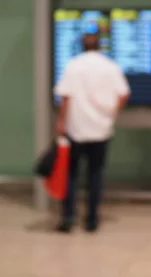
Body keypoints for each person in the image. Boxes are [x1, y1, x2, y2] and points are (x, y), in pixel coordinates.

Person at [53, 32, 130, 233]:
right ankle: (92, 219)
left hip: (75, 128)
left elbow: (65, 97)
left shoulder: (73, 66)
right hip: (100, 130)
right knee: (95, 174)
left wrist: (61, 122)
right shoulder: (110, 67)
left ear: (81, 46)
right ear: (100, 46)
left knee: (71, 174)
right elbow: (123, 94)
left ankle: (68, 216)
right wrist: (111, 113)